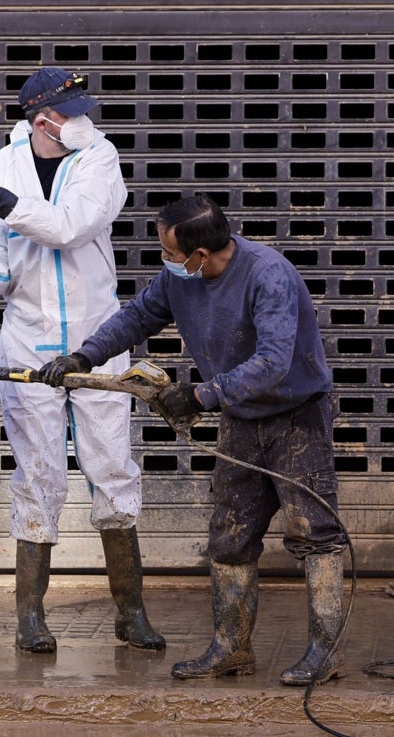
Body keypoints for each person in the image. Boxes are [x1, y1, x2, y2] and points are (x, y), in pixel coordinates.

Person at [39, 194, 348, 686]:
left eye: (168, 251)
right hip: (242, 420)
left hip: (297, 417)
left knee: (315, 534)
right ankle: (231, 648)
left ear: (200, 255)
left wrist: (202, 395)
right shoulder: (178, 278)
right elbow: (137, 317)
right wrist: (84, 356)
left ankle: (324, 653)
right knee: (229, 538)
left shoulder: (268, 276)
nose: (165, 260)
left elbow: (271, 362)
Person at [0, 67, 164, 654]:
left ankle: (129, 612)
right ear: (42, 119)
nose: (83, 120)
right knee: (37, 475)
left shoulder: (99, 160)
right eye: (70, 111)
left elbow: (69, 230)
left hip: (98, 339)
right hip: (28, 341)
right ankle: (30, 616)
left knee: (111, 468)